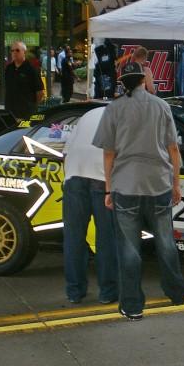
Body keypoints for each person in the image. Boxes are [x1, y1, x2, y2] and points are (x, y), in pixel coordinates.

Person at [93, 62, 184, 321]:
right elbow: (173, 150)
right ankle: (176, 292)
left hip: (126, 185)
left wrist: (108, 190)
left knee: (129, 249)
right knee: (166, 242)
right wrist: (176, 184)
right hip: (158, 184)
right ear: (143, 80)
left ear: (123, 82)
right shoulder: (161, 106)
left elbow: (108, 153)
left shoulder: (114, 109)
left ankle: (133, 306)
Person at [62, 106, 118, 305]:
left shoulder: (88, 114)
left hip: (73, 175)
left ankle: (74, 291)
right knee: (106, 237)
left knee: (73, 237)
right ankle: (108, 292)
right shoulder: (124, 115)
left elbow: (66, 151)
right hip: (103, 177)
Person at [4, 42, 44, 119]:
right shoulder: (9, 68)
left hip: (26, 113)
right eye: (12, 51)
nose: (14, 53)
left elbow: (40, 92)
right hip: (10, 113)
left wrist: (32, 106)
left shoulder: (31, 69)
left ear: (24, 52)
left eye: (17, 50)